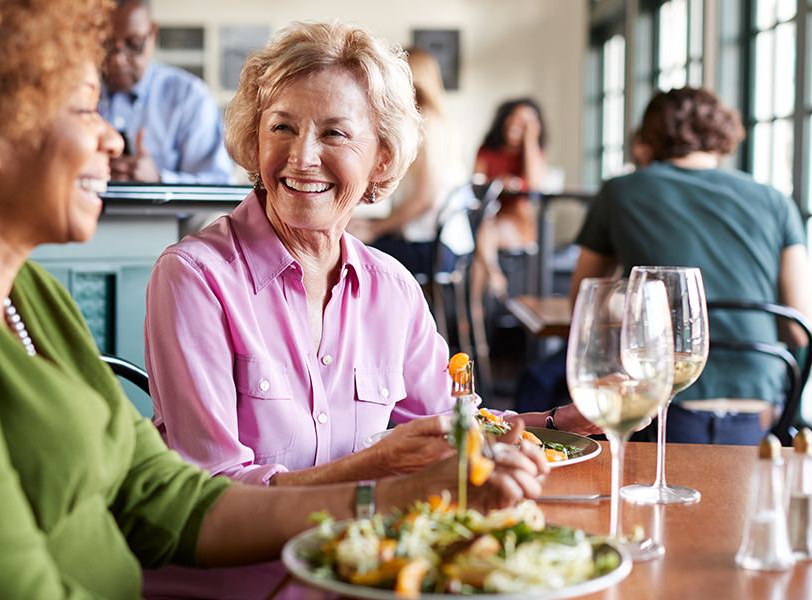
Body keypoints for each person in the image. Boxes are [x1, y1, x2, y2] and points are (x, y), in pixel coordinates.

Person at [0, 4, 550, 598]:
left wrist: (415, 487)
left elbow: (163, 496)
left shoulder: (30, 293)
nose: (111, 136)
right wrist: (386, 482)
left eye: (335, 132)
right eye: (84, 107)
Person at [142, 21, 596, 599]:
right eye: (281, 126)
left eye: (334, 134)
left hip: (359, 576)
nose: (302, 157)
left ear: (381, 157)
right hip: (241, 587)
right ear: (255, 141)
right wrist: (376, 466)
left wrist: (550, 424)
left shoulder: (392, 289)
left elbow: (453, 429)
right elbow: (212, 501)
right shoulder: (194, 278)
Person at [571, 86, 812, 445]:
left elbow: (583, 300)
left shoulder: (621, 191)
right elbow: (801, 326)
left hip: (660, 404)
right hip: (757, 406)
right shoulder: (775, 200)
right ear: (721, 133)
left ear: (649, 137)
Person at [346, 47, 473, 277]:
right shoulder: (438, 121)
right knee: (352, 232)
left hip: (433, 249)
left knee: (347, 249)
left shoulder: (428, 124)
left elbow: (425, 199)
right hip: (438, 243)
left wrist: (375, 228)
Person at [99, 0, 234, 183]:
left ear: (153, 33)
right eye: (105, 43)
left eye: (134, 43)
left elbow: (218, 185)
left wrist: (159, 180)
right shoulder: (69, 94)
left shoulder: (191, 98)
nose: (118, 60)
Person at [472, 98, 547, 300]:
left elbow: (534, 184)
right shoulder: (488, 148)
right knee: (484, 236)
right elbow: (475, 183)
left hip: (518, 222)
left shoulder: (533, 153)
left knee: (482, 246)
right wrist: (497, 182)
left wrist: (530, 141)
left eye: (525, 122)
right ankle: (493, 277)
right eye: (513, 117)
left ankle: (472, 319)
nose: (515, 123)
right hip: (488, 218)